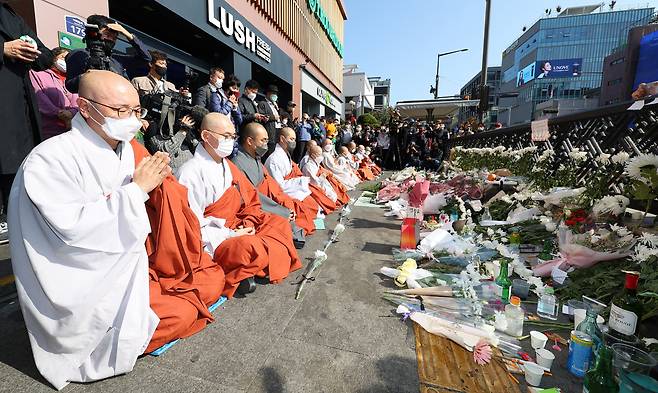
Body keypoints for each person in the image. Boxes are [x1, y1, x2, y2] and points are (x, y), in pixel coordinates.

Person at [8, 70, 166, 390]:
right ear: (85, 106)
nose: (133, 120)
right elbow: (71, 231)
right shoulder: (49, 159)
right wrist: (136, 192)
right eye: (121, 111)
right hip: (76, 278)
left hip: (120, 267)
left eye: (137, 111)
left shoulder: (124, 151)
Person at [177, 113, 302, 296]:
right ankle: (242, 270)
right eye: (225, 137)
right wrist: (232, 233)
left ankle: (248, 269)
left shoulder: (228, 166)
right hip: (218, 237)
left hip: (240, 223)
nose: (231, 141)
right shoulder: (189, 173)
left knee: (279, 223)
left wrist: (249, 221)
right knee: (251, 247)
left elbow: (251, 198)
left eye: (232, 137)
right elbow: (191, 228)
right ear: (206, 136)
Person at [0, 1, 53, 244]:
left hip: (21, 116)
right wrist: (3, 48)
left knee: (20, 179)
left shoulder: (11, 14)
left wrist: (33, 50)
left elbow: (46, 57)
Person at [231, 122, 318, 243]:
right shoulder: (237, 163)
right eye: (263, 140)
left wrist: (283, 203)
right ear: (250, 141)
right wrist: (280, 210)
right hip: (257, 208)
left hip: (269, 201)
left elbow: (271, 186)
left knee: (295, 206)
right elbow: (251, 196)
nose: (266, 145)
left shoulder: (256, 159)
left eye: (266, 140)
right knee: (281, 227)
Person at [66, 14, 151, 93]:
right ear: (95, 33)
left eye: (115, 37)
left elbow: (146, 58)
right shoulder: (79, 54)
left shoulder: (116, 60)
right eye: (107, 34)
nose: (111, 39)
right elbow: (70, 86)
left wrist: (128, 35)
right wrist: (90, 76)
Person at [265, 127, 336, 215]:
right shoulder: (274, 159)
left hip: (294, 185)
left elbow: (295, 172)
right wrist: (300, 181)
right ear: (282, 139)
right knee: (311, 207)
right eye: (291, 139)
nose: (294, 142)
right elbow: (278, 186)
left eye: (294, 139)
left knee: (317, 198)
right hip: (284, 191)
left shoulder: (285, 154)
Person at [29, 47, 78, 139]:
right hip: (47, 133)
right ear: (54, 58)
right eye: (63, 57)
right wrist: (59, 113)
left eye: (69, 59)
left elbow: (77, 101)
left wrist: (71, 113)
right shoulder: (37, 73)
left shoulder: (73, 80)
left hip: (71, 134)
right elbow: (39, 99)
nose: (66, 61)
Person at [144, 105, 206, 172]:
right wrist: (183, 130)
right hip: (175, 177)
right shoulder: (155, 129)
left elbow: (201, 149)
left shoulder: (189, 135)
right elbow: (165, 152)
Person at [257, 84, 281, 158]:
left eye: (276, 93)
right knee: (268, 155)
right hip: (269, 134)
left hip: (276, 132)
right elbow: (262, 117)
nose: (275, 95)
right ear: (268, 93)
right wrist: (273, 117)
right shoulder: (262, 103)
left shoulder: (274, 105)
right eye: (273, 93)